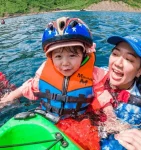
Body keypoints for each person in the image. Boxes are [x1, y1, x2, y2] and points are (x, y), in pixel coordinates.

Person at [1, 16, 104, 150]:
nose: (65, 63)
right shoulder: (45, 72)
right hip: (46, 118)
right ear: (50, 57)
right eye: (58, 57)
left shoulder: (94, 76)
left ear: (84, 54)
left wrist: (113, 123)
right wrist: (7, 99)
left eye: (72, 56)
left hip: (79, 122)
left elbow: (104, 101)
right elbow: (28, 87)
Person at [91, 35, 141, 150]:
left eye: (129, 59)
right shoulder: (96, 75)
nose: (118, 63)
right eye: (115, 54)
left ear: (140, 71)